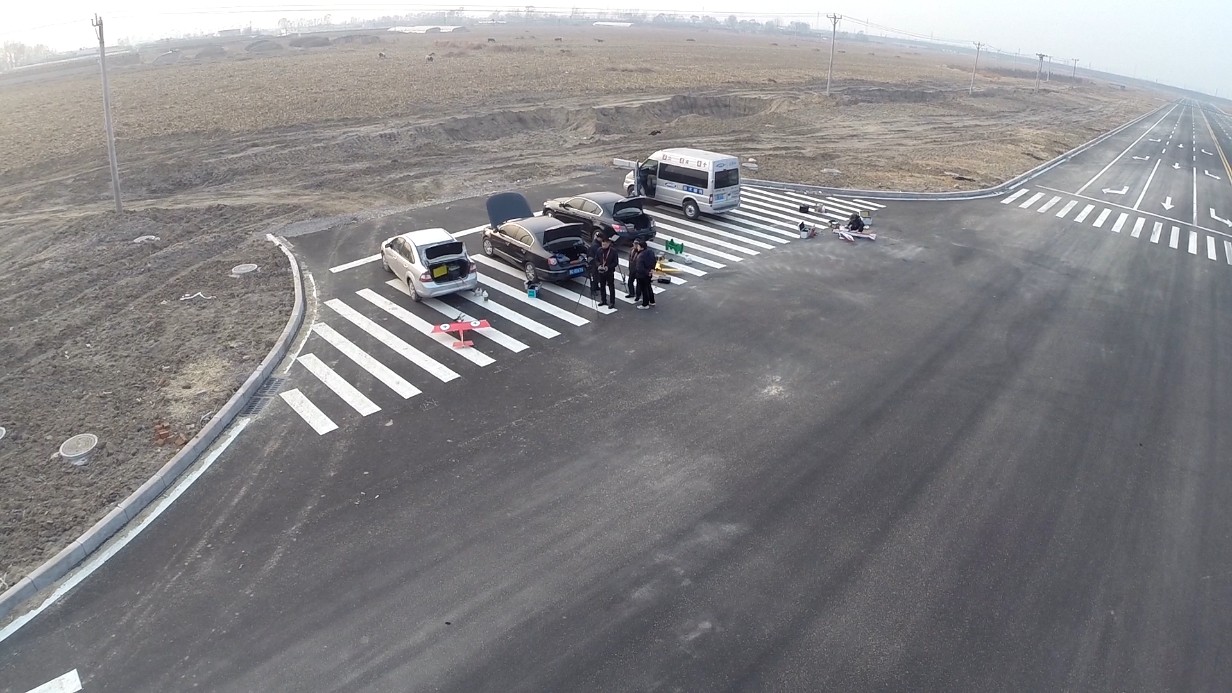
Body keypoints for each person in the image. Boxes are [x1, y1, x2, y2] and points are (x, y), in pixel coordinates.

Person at [593, 234, 619, 308]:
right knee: (602, 286)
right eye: (602, 244)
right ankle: (603, 300)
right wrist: (598, 265)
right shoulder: (599, 250)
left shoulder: (613, 251)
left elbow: (615, 262)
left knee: (611, 287)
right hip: (601, 271)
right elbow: (596, 259)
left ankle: (612, 302)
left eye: (605, 244)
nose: (603, 245)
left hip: (609, 272)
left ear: (609, 244)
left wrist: (608, 267)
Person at [633, 240, 657, 309]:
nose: (637, 247)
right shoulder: (650, 252)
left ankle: (645, 304)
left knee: (644, 290)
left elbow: (639, 268)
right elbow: (654, 261)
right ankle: (652, 301)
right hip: (649, 274)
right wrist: (651, 270)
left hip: (642, 275)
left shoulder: (640, 256)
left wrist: (646, 272)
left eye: (638, 246)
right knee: (649, 287)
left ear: (642, 247)